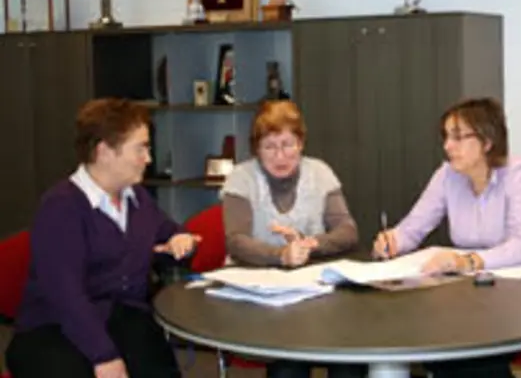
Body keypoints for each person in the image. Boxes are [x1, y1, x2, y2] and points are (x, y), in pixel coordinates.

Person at [5, 98, 200, 378]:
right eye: (141, 148)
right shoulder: (62, 207)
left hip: (121, 318)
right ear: (104, 151)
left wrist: (181, 240)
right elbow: (67, 296)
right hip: (54, 327)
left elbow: (167, 231)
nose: (149, 158)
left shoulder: (137, 198)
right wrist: (104, 355)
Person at [372, 96, 521, 378]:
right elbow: (414, 227)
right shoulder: (447, 175)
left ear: (487, 141)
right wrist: (392, 241)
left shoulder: (518, 174)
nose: (448, 146)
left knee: (474, 353)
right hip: (476, 293)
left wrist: (467, 261)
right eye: (446, 137)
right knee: (446, 342)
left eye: (458, 137)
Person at [220, 99, 364, 378]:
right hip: (259, 294)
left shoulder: (320, 172)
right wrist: (281, 255)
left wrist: (311, 243)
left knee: (349, 362)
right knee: (289, 366)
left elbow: (348, 231)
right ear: (257, 150)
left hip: (313, 291)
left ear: (301, 143)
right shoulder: (241, 178)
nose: (280, 156)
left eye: (287, 144)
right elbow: (235, 241)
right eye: (269, 147)